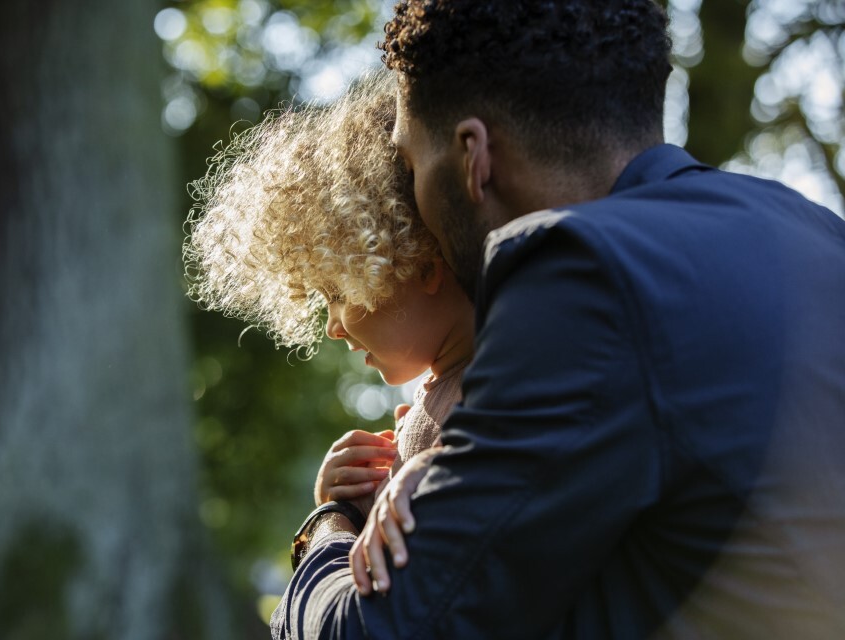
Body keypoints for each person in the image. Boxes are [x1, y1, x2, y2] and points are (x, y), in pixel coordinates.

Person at [272, 1, 845, 638]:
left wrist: (330, 526)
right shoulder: (814, 231)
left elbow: (383, 629)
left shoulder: (580, 273)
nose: (414, 202)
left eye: (410, 166)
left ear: (472, 156)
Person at [183, 70, 474, 544]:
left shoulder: (497, 394)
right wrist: (346, 501)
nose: (332, 329)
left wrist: (332, 520)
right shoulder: (443, 398)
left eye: (337, 293)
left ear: (420, 262)